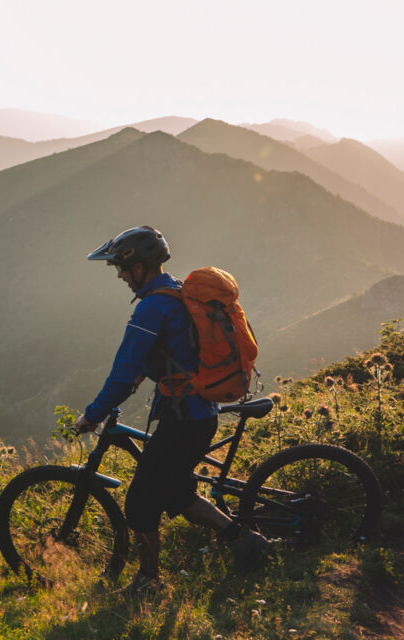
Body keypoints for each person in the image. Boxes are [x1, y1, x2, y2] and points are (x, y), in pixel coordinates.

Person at [73, 225, 269, 596]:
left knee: (140, 503)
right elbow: (166, 357)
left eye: (121, 267)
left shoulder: (152, 307)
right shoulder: (177, 292)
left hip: (184, 420)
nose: (119, 275)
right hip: (197, 414)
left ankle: (148, 582)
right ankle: (245, 542)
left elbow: (124, 370)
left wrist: (93, 414)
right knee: (176, 493)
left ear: (141, 267)